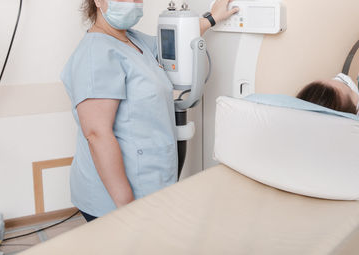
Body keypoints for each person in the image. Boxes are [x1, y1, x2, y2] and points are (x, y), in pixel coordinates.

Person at [61, 0, 239, 222]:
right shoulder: (96, 53)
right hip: (115, 198)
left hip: (149, 181)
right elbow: (97, 135)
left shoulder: (133, 40)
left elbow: (176, 40)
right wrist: (125, 205)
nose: (133, 3)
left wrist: (211, 18)